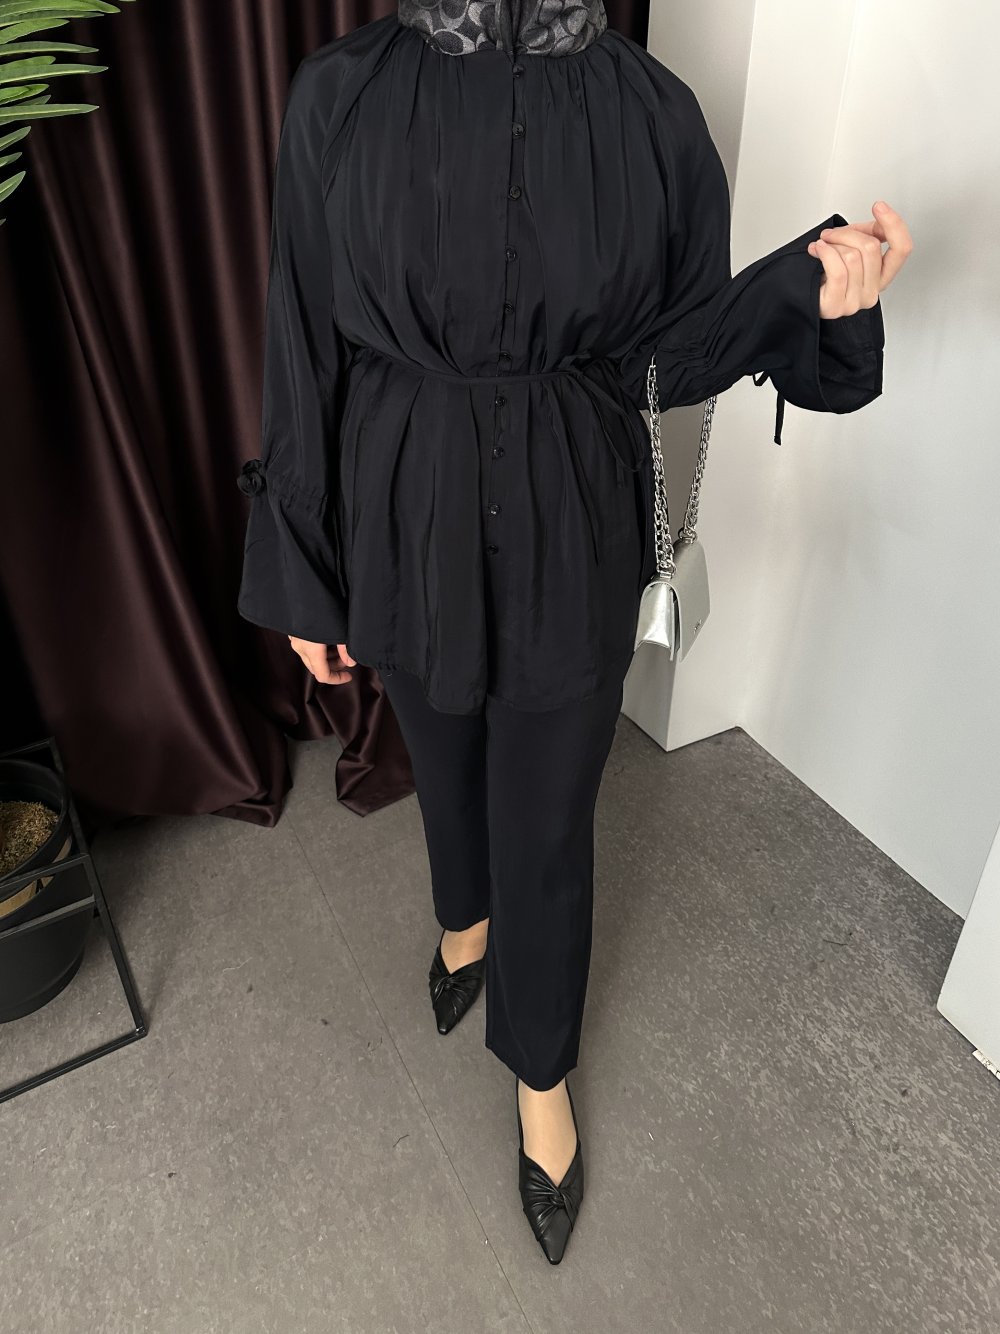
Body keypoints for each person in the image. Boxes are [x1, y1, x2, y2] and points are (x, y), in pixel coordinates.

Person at [235, 0, 912, 1264]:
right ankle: (462, 919)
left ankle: (539, 1071)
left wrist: (814, 291)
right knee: (441, 754)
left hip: (574, 512)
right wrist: (301, 572)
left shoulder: (654, 115)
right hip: (404, 497)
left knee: (547, 815)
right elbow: (304, 337)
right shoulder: (340, 94)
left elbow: (672, 359)